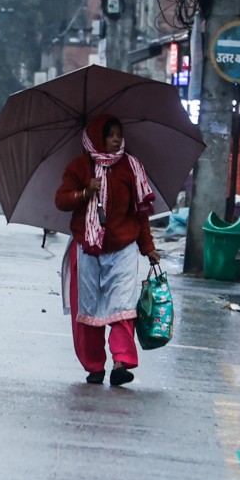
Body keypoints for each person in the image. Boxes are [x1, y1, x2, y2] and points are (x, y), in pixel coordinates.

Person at [55, 114, 160, 387]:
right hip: (87, 249)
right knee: (89, 308)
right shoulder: (79, 167)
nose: (116, 139)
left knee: (122, 306)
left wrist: (147, 247)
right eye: (110, 134)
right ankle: (94, 366)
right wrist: (84, 193)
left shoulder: (132, 167)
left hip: (123, 248)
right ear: (95, 138)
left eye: (118, 134)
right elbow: (61, 200)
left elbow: (140, 214)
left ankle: (121, 363)